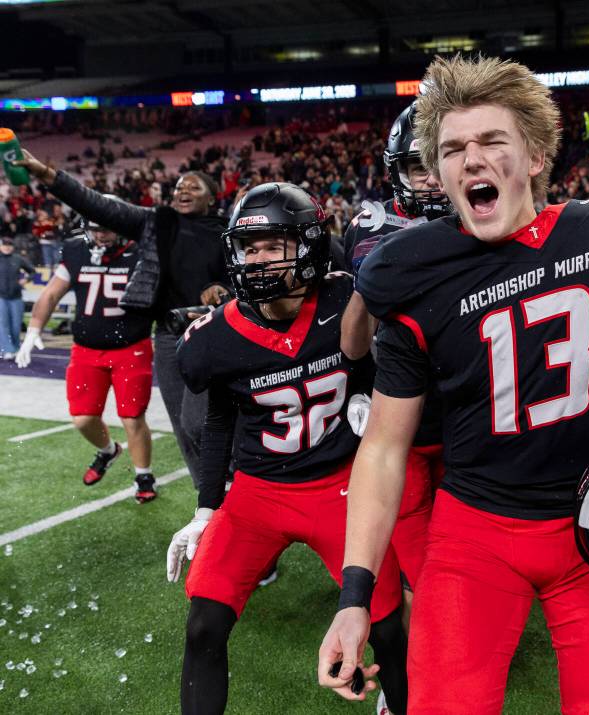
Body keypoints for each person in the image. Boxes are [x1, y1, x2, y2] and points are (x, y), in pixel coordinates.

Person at [316, 53, 589, 714]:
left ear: (534, 156)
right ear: (437, 173)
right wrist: (355, 597)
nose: (471, 158)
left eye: (492, 141)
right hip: (475, 532)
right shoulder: (410, 273)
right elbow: (384, 446)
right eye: (452, 149)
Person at [168, 182, 407, 715]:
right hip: (259, 493)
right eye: (248, 248)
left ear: (309, 244)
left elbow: (377, 366)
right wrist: (208, 505)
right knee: (204, 621)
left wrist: (368, 397)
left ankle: (400, 696)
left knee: (388, 623)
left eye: (272, 246)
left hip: (343, 487)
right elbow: (219, 419)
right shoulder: (217, 335)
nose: (257, 260)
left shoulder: (347, 297)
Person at [14, 151, 228, 488]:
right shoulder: (156, 222)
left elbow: (241, 280)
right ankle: (209, 501)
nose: (183, 191)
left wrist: (221, 289)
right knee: (181, 428)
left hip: (212, 334)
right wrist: (46, 173)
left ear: (213, 197)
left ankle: (230, 476)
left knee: (198, 423)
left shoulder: (227, 234)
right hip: (169, 335)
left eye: (194, 187)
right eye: (179, 187)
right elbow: (96, 204)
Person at [337, 101, 452, 626]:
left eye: (437, 160)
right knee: (418, 568)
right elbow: (352, 345)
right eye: (415, 166)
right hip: (399, 418)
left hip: (476, 416)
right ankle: (417, 671)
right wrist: (374, 279)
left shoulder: (493, 219)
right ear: (395, 171)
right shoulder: (370, 228)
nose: (429, 179)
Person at [16, 212, 156, 499]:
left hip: (131, 347)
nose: (101, 235)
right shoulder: (77, 249)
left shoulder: (141, 252)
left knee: (132, 417)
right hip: (86, 349)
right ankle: (108, 450)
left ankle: (143, 476)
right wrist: (33, 331)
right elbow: (52, 294)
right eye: (96, 229)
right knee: (82, 418)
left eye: (107, 228)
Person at [0, 236, 34, 359]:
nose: (7, 247)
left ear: (13, 247)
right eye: (5, 245)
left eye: (9, 245)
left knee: (16, 325)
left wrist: (26, 279)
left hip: (16, 297)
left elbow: (32, 271)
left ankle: (15, 348)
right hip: (1, 297)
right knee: (2, 324)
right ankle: (7, 349)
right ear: (1, 246)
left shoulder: (18, 259)